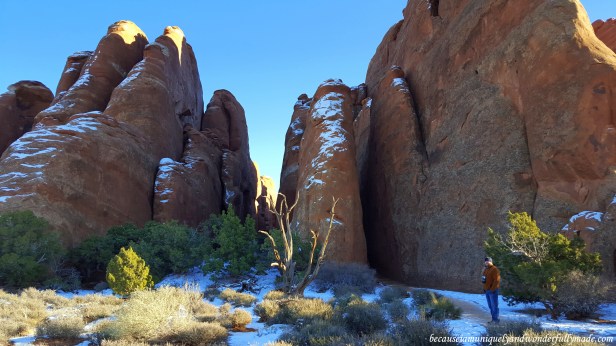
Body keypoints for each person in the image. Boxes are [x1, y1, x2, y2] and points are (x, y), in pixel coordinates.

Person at [482, 257, 500, 323]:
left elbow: (497, 280)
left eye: (488, 261)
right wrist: (484, 288)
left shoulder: (494, 269)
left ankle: (496, 320)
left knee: (494, 305)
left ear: (491, 262)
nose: (486, 262)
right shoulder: (486, 269)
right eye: (485, 261)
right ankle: (493, 319)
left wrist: (493, 289)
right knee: (490, 306)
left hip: (493, 291)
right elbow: (484, 279)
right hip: (487, 290)